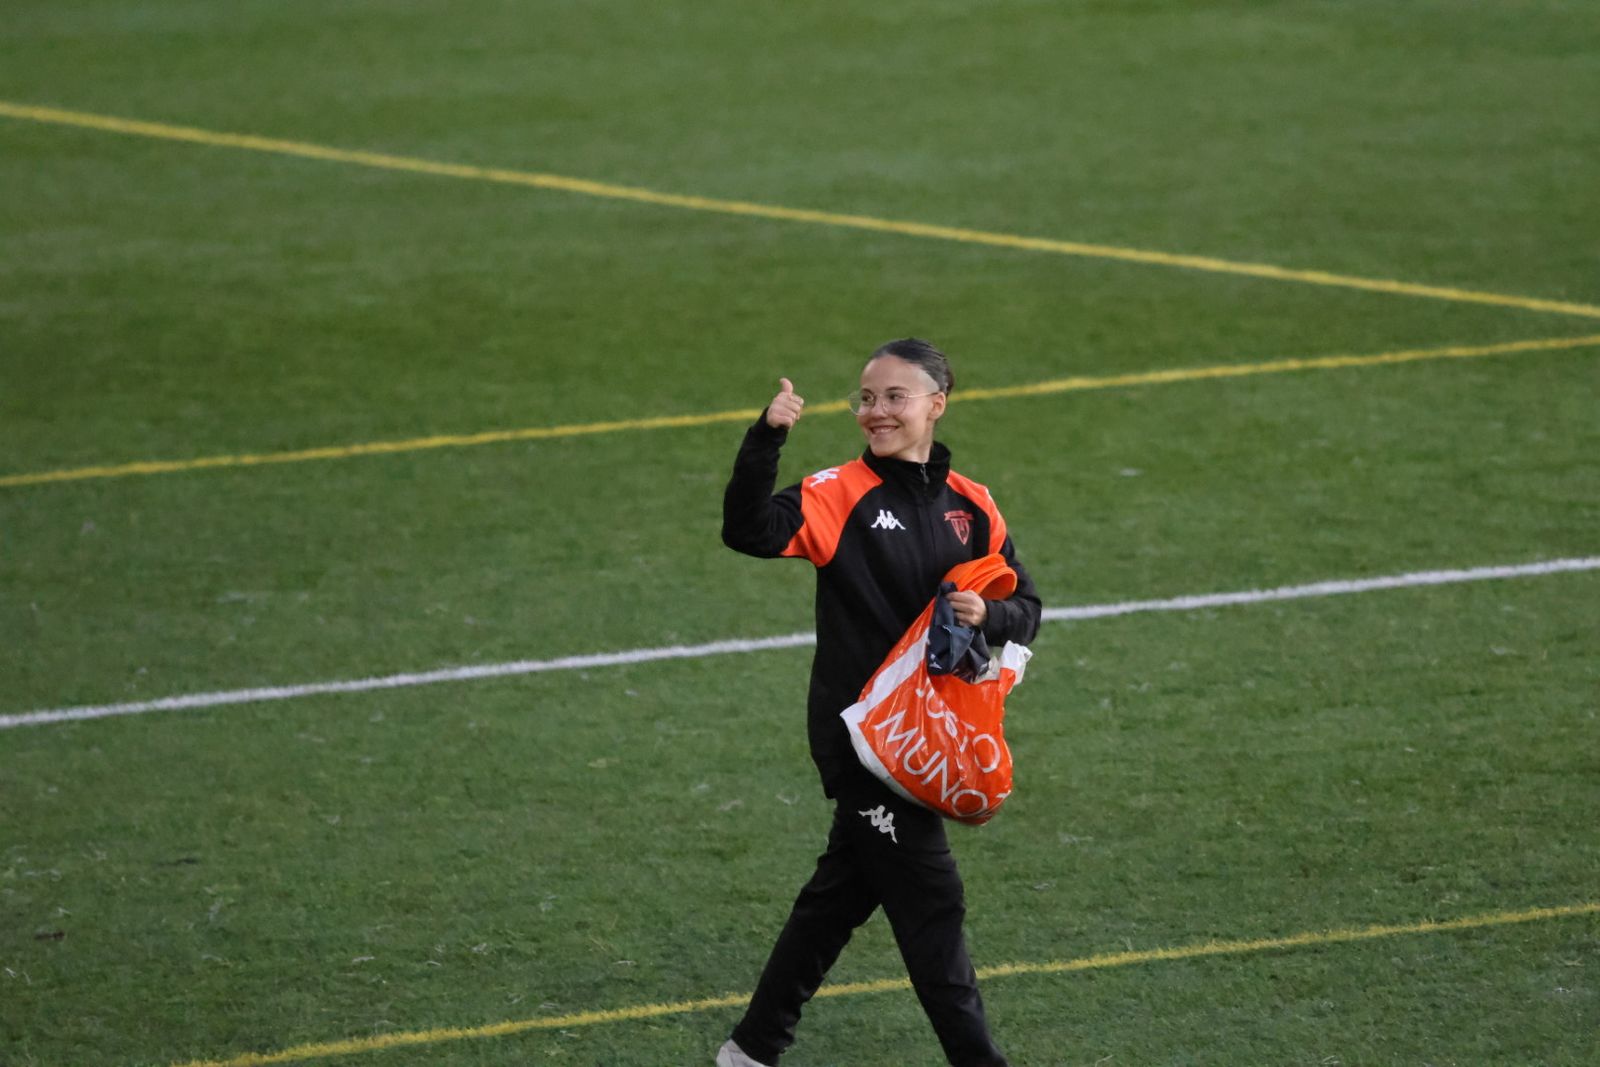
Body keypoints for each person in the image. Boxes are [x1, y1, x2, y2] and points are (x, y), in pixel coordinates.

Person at [717, 338, 1042, 1067]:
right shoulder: (837, 493)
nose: (876, 411)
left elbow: (1027, 605)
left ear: (937, 403)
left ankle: (750, 1049)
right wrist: (766, 438)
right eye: (866, 397)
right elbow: (748, 530)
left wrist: (989, 617)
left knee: (838, 898)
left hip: (932, 738)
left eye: (894, 396)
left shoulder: (975, 505)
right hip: (867, 742)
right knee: (933, 905)